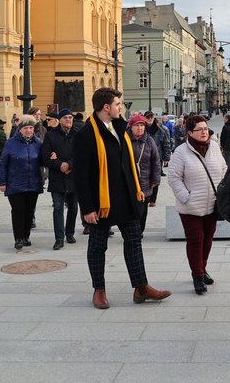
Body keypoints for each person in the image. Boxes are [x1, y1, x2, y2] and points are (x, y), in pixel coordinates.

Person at [72, 87, 171, 309]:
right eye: (118, 104)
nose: (121, 107)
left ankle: (141, 287)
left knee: (134, 242)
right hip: (102, 203)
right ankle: (99, 290)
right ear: (106, 107)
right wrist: (87, 208)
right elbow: (80, 176)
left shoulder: (120, 128)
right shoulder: (86, 135)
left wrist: (142, 193)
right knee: (98, 247)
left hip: (127, 198)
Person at [168, 114, 224, 295]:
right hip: (190, 207)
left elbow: (224, 169)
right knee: (195, 240)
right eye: (199, 129)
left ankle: (202, 268)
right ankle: (197, 276)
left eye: (206, 129)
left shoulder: (214, 147)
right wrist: (185, 196)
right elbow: (173, 177)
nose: (204, 132)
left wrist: (222, 191)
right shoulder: (181, 152)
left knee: (207, 239)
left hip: (212, 204)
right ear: (190, 132)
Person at [0, 114, 44, 250]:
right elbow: (2, 163)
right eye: (26, 128)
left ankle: (26, 236)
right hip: (15, 183)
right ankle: (18, 238)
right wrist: (2, 182)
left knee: (29, 211)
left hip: (33, 182)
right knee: (18, 210)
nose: (29, 131)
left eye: (31, 128)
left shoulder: (38, 143)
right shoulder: (11, 143)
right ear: (20, 129)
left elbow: (43, 160)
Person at [41, 109, 79, 250]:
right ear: (60, 120)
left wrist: (69, 164)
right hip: (57, 177)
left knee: (73, 208)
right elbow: (45, 156)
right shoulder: (51, 135)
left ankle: (70, 233)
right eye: (65, 118)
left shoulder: (78, 135)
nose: (69, 120)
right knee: (58, 207)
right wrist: (59, 165)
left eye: (70, 117)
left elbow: (82, 155)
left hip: (74, 177)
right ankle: (59, 238)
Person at [128, 114, 162, 235]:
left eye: (142, 125)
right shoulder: (125, 140)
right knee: (131, 208)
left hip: (145, 180)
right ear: (131, 127)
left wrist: (155, 180)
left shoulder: (149, 140)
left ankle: (140, 230)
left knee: (143, 209)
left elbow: (156, 161)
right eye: (137, 126)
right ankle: (132, 230)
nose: (140, 128)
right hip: (129, 181)